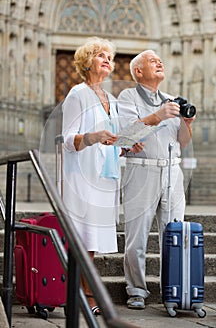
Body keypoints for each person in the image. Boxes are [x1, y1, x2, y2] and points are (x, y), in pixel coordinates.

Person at [62, 37, 142, 315]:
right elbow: (67, 139)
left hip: (105, 176)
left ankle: (82, 293)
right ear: (87, 62)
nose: (108, 60)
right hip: (82, 176)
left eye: (109, 56)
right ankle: (87, 296)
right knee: (85, 238)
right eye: (100, 55)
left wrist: (127, 145)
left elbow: (112, 144)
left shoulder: (112, 99)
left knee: (92, 240)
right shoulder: (78, 94)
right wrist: (93, 137)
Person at [117, 50, 195, 309]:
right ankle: (137, 289)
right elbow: (127, 137)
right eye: (153, 61)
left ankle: (173, 289)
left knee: (173, 234)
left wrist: (187, 122)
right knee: (136, 237)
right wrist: (159, 115)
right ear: (138, 71)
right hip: (141, 170)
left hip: (173, 171)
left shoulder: (171, 100)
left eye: (160, 60)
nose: (160, 62)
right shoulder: (128, 97)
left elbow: (182, 142)